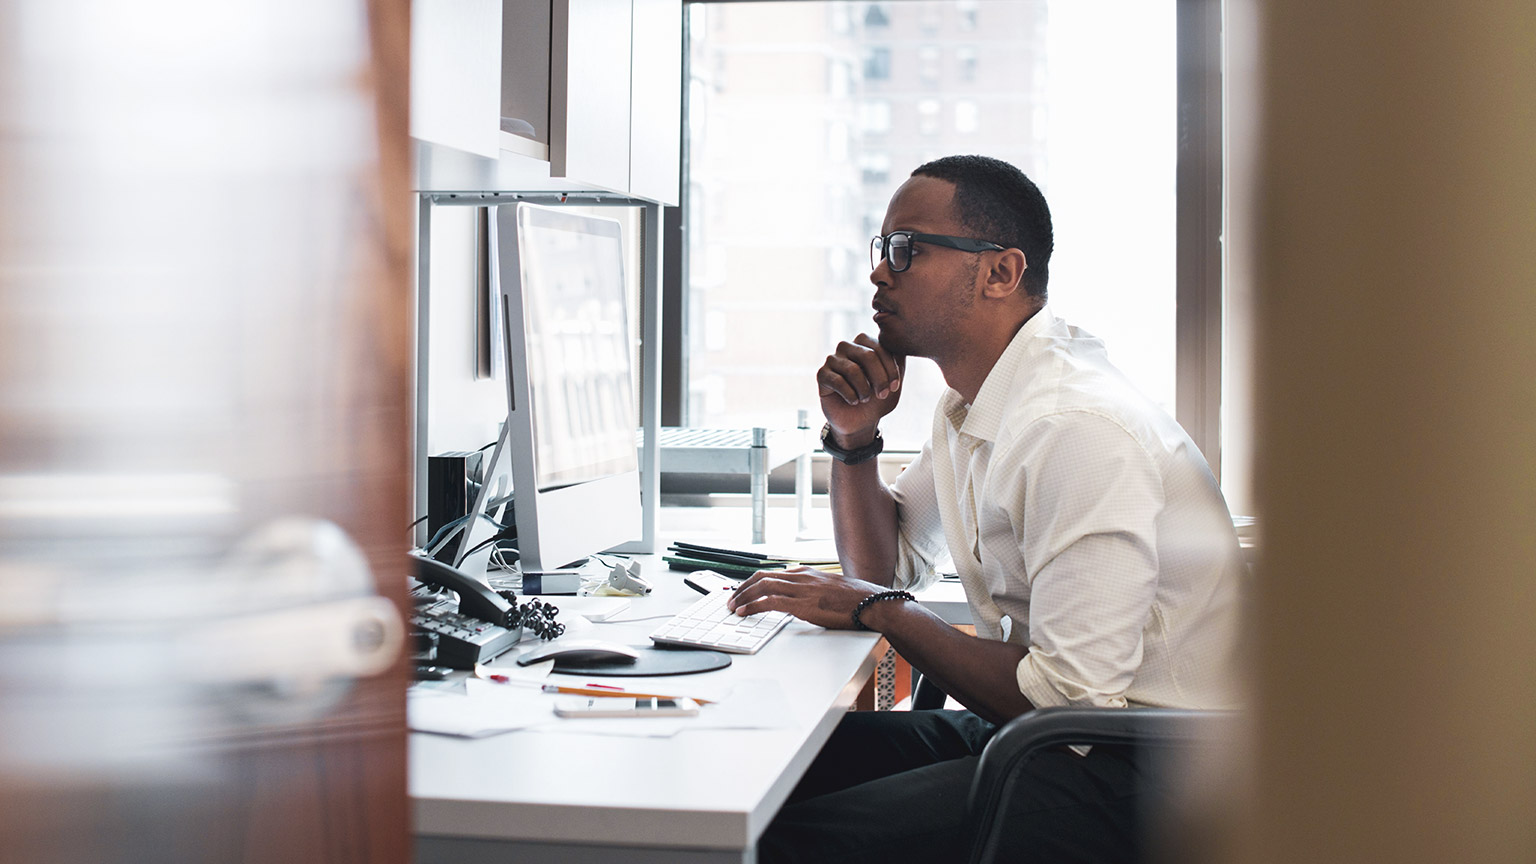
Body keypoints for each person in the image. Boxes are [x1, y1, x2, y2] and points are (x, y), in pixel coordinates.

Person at [727, 155, 1242, 863]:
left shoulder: (1073, 427)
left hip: (1147, 770)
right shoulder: (975, 404)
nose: (880, 272)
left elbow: (1069, 703)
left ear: (1000, 273)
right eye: (882, 250)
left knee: (787, 840)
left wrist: (879, 610)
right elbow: (886, 565)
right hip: (1052, 736)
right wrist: (853, 440)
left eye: (906, 250)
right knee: (769, 765)